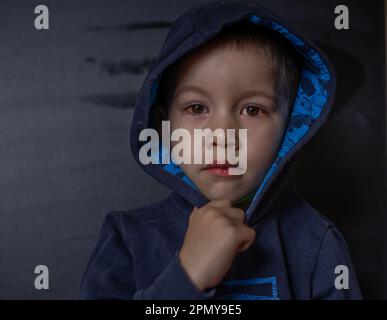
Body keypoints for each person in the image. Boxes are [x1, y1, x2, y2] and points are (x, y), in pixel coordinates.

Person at [79, 0, 362, 300]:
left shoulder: (317, 245)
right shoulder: (128, 239)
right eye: (197, 107)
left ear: (291, 128)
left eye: (253, 110)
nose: (223, 136)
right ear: (165, 126)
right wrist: (186, 277)